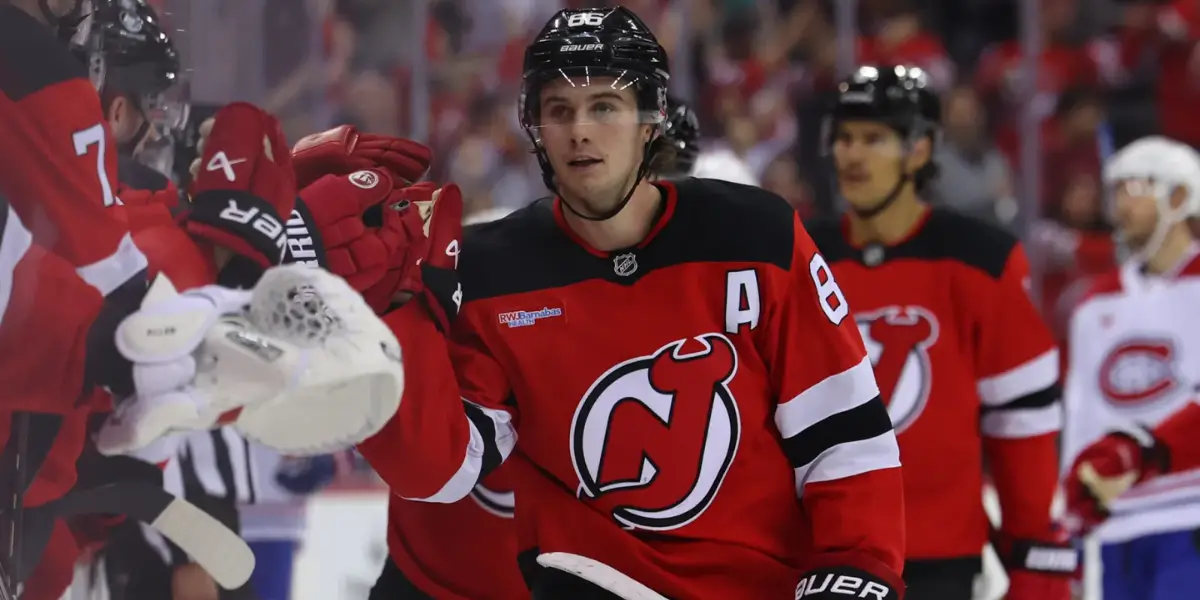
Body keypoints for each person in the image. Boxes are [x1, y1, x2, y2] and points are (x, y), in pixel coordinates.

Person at [349, 7, 904, 599]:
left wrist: (858, 566)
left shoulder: (757, 236)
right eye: (559, 110)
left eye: (604, 107)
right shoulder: (492, 270)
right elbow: (439, 470)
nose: (579, 131)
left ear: (650, 121)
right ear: (534, 127)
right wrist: (388, 312)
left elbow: (844, 435)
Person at [804, 65, 1073, 600]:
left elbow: (1021, 420)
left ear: (919, 151)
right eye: (845, 138)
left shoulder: (981, 259)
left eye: (874, 139)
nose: (852, 155)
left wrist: (1032, 549)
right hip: (823, 553)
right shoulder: (800, 258)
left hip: (938, 555)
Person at [1061, 136, 1200, 600]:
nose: (1121, 203)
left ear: (1179, 197)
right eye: (1116, 190)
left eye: (1136, 188)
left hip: (1191, 514)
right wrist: (1072, 523)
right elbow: (1082, 417)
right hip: (1120, 523)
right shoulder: (1094, 304)